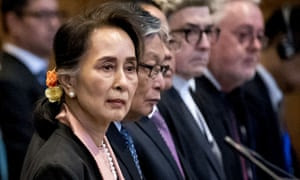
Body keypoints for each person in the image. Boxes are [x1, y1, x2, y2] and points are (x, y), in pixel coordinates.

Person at [20, 1, 144, 179]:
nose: (122, 82)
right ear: (68, 82)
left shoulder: (108, 140)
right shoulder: (58, 167)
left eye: (130, 68)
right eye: (107, 67)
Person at [194, 0, 287, 179]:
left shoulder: (241, 95)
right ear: (210, 36)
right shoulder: (193, 99)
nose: (256, 46)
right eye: (244, 35)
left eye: (260, 37)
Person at [121, 1, 196, 179]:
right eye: (150, 66)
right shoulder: (124, 123)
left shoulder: (163, 108)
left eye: (168, 40)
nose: (168, 52)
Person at [156, 0, 226, 179]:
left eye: (208, 31)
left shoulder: (199, 94)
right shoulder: (157, 103)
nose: (205, 45)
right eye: (190, 31)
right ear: (165, 37)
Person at [0, 0, 61, 179]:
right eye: (42, 15)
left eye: (56, 14)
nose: (54, 24)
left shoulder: (42, 74)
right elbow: (27, 154)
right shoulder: (8, 81)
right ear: (13, 22)